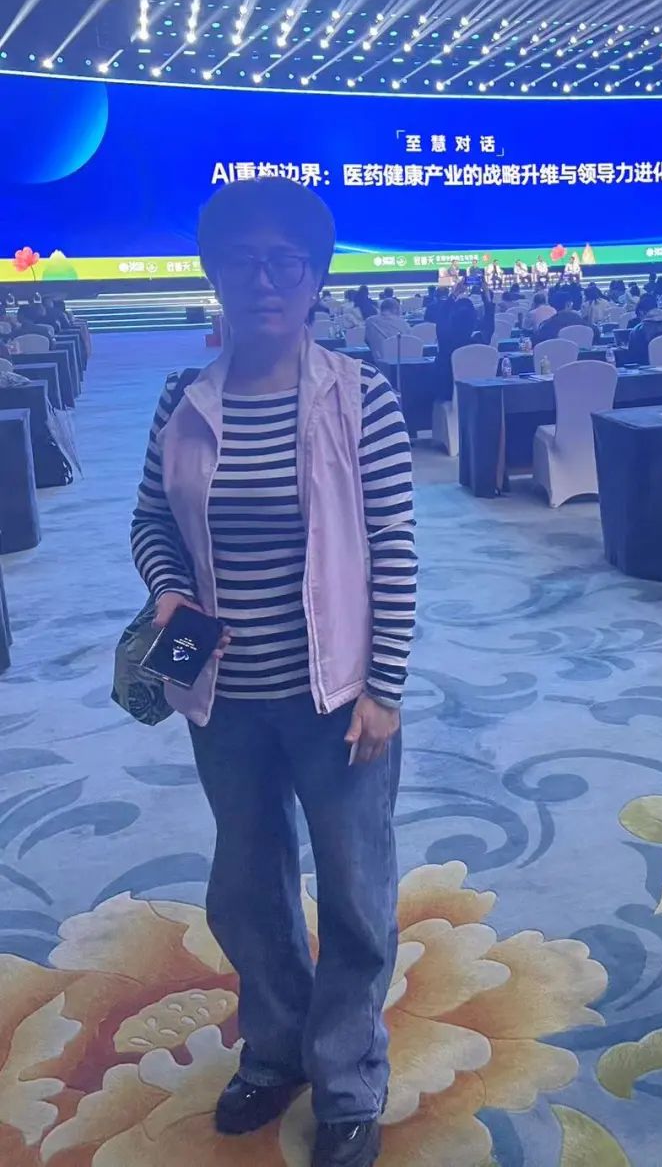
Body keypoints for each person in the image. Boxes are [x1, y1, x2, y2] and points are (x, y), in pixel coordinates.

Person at [130, 178, 414, 1167]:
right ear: (214, 273)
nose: (264, 280)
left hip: (337, 698)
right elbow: (151, 520)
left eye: (285, 261)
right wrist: (169, 591)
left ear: (315, 277)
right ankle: (278, 1046)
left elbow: (393, 549)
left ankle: (348, 1077)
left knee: (355, 894)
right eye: (243, 261)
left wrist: (384, 688)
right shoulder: (184, 399)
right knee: (247, 888)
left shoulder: (361, 397)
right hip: (222, 696)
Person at [364, 297, 409, 361]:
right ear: (395, 309)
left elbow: (366, 340)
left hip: (379, 361)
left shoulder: (369, 321)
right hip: (403, 360)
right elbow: (409, 343)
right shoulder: (404, 324)